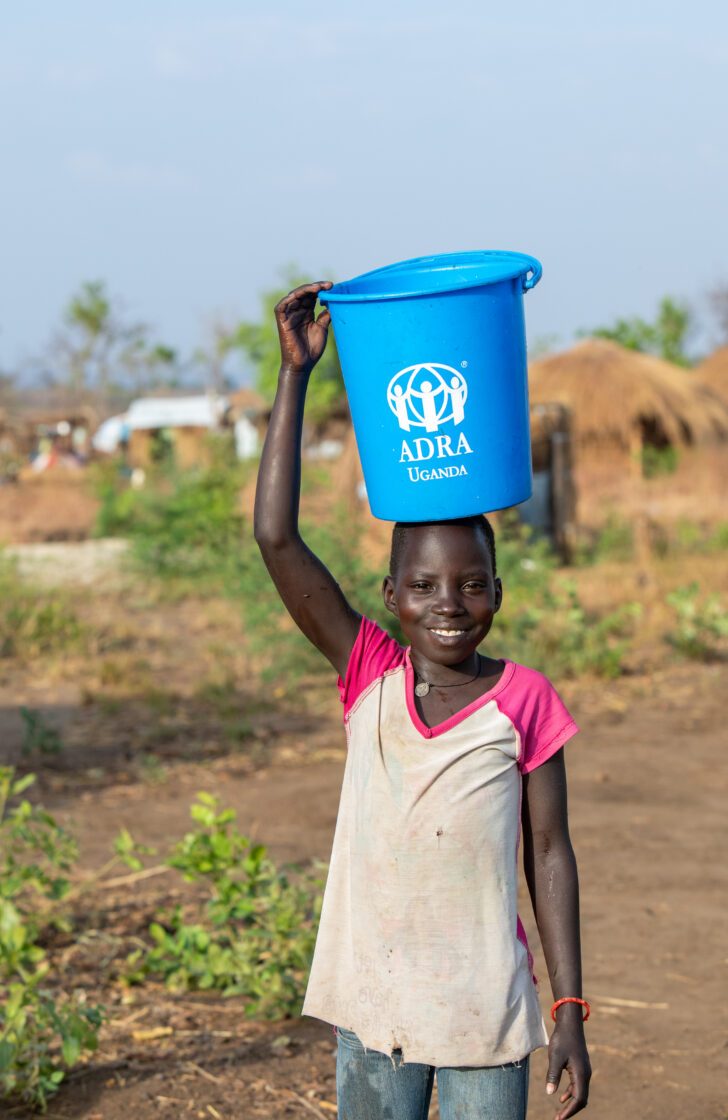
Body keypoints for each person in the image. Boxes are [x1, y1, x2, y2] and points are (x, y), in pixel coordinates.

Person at [254, 282, 591, 1120]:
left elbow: (549, 852)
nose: (451, 603)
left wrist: (569, 1011)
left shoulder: (525, 701)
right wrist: (295, 376)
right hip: (375, 1006)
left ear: (499, 593)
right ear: (391, 595)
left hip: (487, 1010)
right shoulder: (367, 671)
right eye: (427, 586)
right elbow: (275, 537)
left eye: (473, 584)